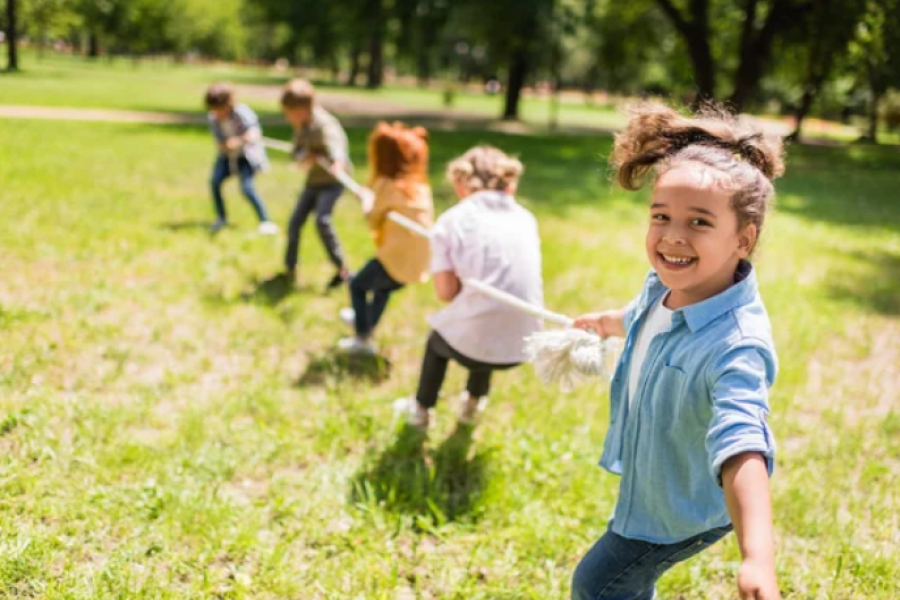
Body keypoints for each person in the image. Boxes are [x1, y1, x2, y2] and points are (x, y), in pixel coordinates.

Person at [569, 102, 785, 600]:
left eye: (699, 223)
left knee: (600, 583)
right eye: (661, 216)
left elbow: (743, 444)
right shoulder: (663, 285)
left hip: (681, 506)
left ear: (744, 239)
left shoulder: (736, 345)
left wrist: (757, 557)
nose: (672, 236)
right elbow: (646, 316)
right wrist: (607, 323)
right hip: (657, 480)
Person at [393, 146, 544, 429]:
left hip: (477, 344)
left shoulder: (452, 220)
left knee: (438, 340)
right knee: (484, 312)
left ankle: (421, 410)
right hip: (524, 343)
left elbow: (445, 293)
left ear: (461, 183)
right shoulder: (526, 217)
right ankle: (473, 404)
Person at [337, 122, 434, 355]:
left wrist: (366, 202)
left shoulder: (387, 185)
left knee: (357, 284)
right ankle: (366, 321)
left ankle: (362, 338)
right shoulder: (420, 186)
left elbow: (372, 218)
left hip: (395, 259)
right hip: (419, 261)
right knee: (383, 289)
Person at [280, 78, 352, 291]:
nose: (288, 118)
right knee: (295, 223)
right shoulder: (302, 126)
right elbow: (296, 152)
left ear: (301, 109)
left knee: (322, 220)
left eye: (289, 113)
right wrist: (304, 157)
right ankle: (289, 268)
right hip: (314, 181)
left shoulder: (324, 123)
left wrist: (337, 163)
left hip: (332, 182)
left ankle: (343, 270)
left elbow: (336, 145)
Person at [205, 83, 277, 235]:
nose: (217, 113)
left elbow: (254, 133)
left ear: (228, 104)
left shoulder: (242, 113)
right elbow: (220, 143)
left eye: (219, 109)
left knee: (247, 188)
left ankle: (265, 221)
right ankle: (221, 218)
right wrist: (226, 145)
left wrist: (239, 141)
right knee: (215, 182)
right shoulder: (213, 119)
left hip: (246, 157)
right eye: (214, 110)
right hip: (227, 157)